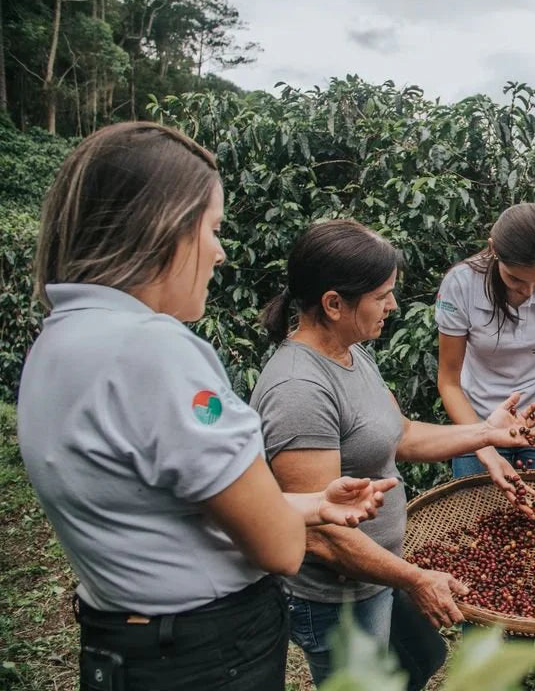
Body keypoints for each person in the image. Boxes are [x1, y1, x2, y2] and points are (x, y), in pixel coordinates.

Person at [17, 122, 395, 691]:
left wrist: (314, 502)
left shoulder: (58, 341)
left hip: (124, 642)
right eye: (212, 229)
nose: (219, 253)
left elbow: (172, 508)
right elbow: (278, 548)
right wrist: (292, 518)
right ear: (162, 228)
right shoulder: (157, 350)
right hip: (206, 655)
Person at [250, 219, 535, 690]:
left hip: (379, 574)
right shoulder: (299, 391)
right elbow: (322, 535)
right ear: (333, 304)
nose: (392, 305)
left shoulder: (351, 352)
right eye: (381, 295)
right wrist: (415, 578)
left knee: (422, 657)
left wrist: (484, 433)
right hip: (338, 597)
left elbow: (402, 435)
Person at [436, 202, 535, 483]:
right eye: (516, 280)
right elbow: (449, 381)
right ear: (494, 249)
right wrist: (482, 444)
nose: (528, 292)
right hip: (478, 417)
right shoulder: (461, 284)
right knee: (480, 517)